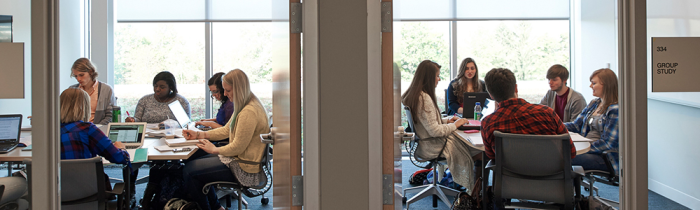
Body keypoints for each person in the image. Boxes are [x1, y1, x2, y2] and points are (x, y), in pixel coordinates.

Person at [181, 69, 270, 210]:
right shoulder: (244, 104)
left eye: (227, 90)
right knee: (191, 162)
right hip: (239, 160)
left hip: (244, 168)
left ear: (239, 89)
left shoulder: (249, 111)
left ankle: (213, 207)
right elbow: (226, 130)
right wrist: (198, 135)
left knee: (190, 171)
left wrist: (215, 149)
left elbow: (237, 147)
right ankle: (216, 207)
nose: (225, 94)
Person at [401, 60, 481, 191]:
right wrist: (456, 124)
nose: (439, 79)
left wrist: (447, 120)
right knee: (480, 152)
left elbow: (427, 122)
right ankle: (475, 192)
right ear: (429, 78)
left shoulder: (416, 95)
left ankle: (475, 190)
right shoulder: (424, 98)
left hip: (425, 143)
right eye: (437, 76)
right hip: (432, 145)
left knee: (470, 147)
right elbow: (435, 131)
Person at [480, 68, 575, 161]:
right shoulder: (547, 113)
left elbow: (492, 156)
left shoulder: (488, 123)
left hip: (511, 175)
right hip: (550, 174)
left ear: (491, 95)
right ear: (516, 88)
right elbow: (571, 151)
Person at [59, 88, 132, 192]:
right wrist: (122, 149)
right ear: (83, 108)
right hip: (89, 193)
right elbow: (118, 158)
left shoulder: (47, 132)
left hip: (54, 195)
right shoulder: (87, 129)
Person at [565, 68, 619, 173]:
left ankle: (566, 189)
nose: (590, 86)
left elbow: (608, 144)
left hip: (603, 157)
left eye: (593, 83)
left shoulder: (615, 109)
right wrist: (555, 125)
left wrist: (584, 148)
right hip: (587, 150)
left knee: (564, 158)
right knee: (558, 155)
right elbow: (576, 126)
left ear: (606, 85)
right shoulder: (594, 103)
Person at [126, 71, 191, 123]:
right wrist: (133, 120)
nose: (157, 89)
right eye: (155, 86)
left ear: (170, 87)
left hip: (172, 136)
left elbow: (186, 125)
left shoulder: (180, 101)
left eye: (162, 87)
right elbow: (138, 120)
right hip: (147, 137)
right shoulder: (144, 100)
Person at [69, 58, 116, 125]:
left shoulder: (106, 89)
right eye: (76, 76)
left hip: (99, 130)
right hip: (77, 131)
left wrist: (94, 129)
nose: (78, 79)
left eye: (81, 75)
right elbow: (67, 115)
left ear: (91, 72)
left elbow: (110, 116)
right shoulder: (72, 90)